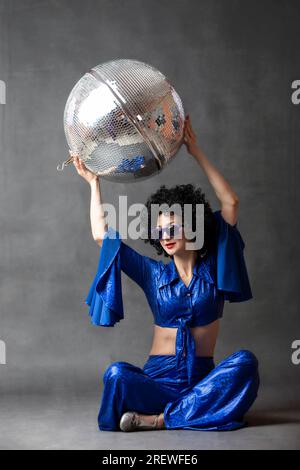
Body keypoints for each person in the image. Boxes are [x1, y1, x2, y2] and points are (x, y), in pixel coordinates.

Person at [72, 115, 259, 432]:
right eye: (160, 231)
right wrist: (94, 184)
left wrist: (195, 151)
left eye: (174, 227)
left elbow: (231, 201)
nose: (166, 235)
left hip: (204, 382)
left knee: (245, 363)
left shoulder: (214, 267)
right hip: (157, 381)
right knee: (116, 374)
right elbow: (102, 237)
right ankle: (189, 414)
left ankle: (161, 420)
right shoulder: (152, 273)